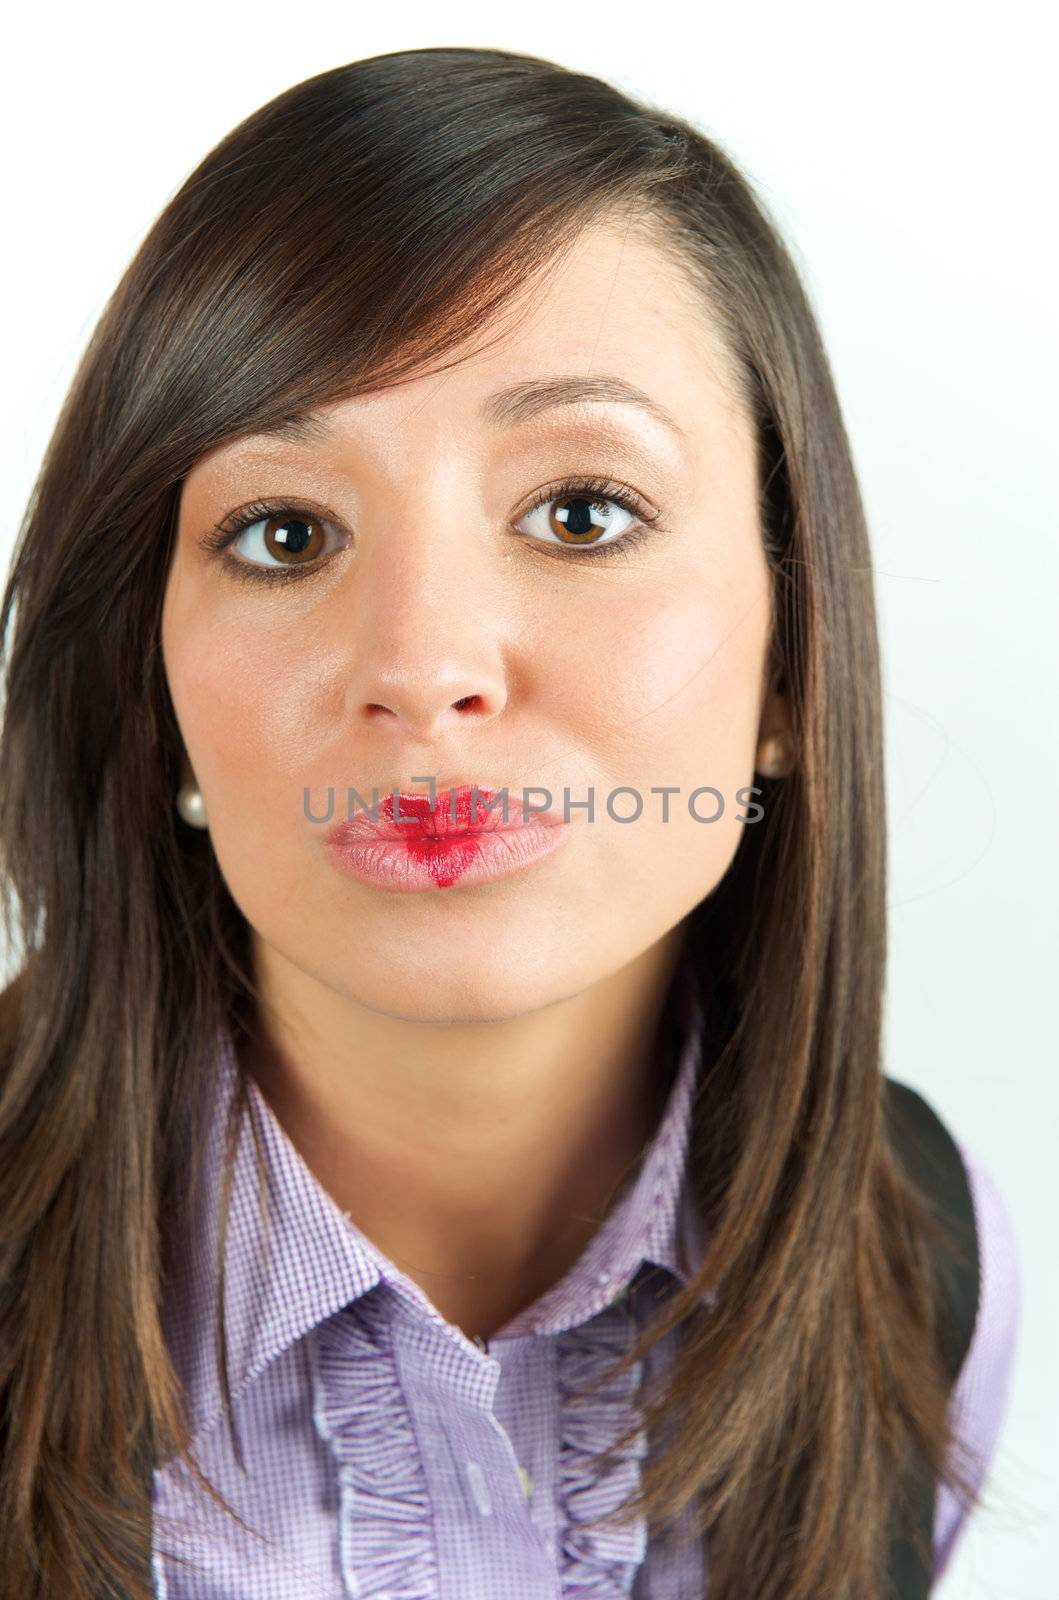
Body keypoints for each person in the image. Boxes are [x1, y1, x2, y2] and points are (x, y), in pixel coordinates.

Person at [0, 45, 1020, 1600]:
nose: (424, 671)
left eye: (583, 513)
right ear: (152, 693)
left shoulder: (929, 1262)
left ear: (791, 664)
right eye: (286, 533)